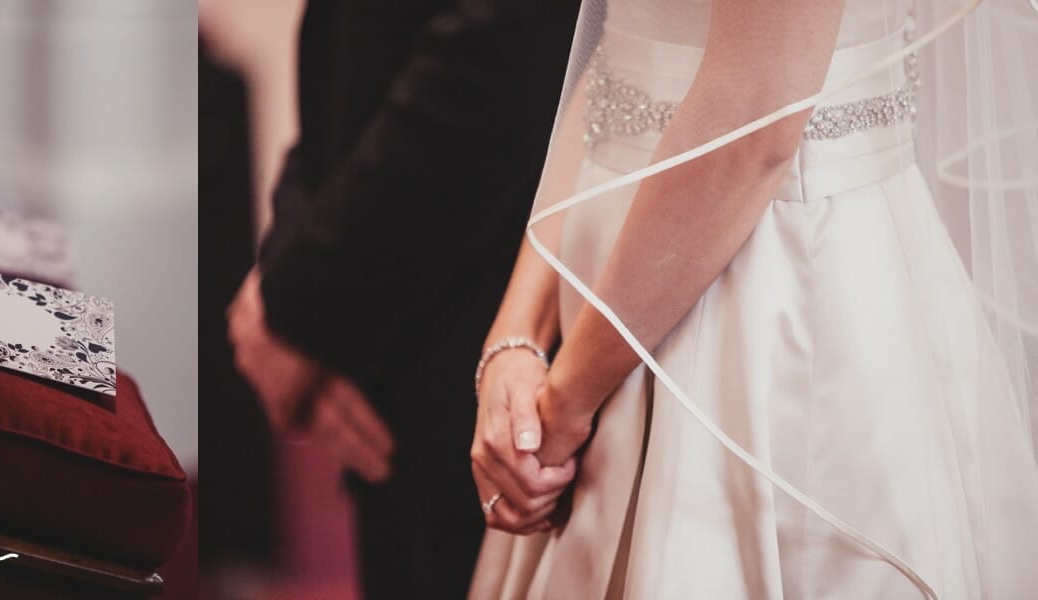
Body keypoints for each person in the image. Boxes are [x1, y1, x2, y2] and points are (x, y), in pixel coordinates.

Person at [468, 0, 1038, 598]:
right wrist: (514, 342)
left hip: (771, 293)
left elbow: (755, 118)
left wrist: (561, 410)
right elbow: (617, 50)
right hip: (597, 301)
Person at [225, 0, 579, 597]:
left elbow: (492, 60)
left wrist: (296, 308)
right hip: (383, 328)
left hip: (474, 314)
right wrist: (283, 279)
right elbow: (338, 73)